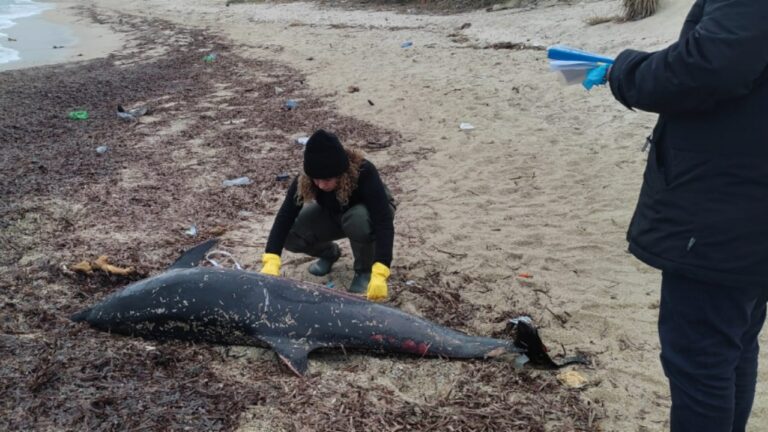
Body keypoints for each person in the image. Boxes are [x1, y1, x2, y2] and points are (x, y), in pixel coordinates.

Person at [585, 1, 768, 431]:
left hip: (728, 203)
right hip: (746, 199)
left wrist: (625, 71)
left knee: (701, 357)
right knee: (732, 345)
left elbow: (710, 65)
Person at [259, 129, 396, 301]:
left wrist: (381, 270)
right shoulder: (306, 179)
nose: (321, 186)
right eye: (316, 180)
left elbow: (383, 220)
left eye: (327, 180)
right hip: (336, 212)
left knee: (357, 220)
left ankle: (364, 271)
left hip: (369, 214)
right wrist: (271, 259)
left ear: (341, 173)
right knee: (291, 234)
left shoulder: (364, 172)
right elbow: (285, 216)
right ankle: (329, 253)